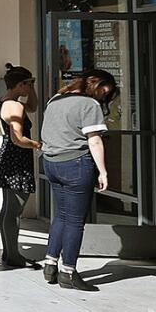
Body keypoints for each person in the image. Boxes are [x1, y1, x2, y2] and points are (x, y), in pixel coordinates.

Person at [38, 69, 118, 292]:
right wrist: (103, 171)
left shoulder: (55, 100)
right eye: (105, 89)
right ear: (96, 84)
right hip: (76, 164)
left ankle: (50, 265)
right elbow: (94, 141)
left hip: (51, 162)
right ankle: (68, 272)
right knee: (75, 221)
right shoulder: (89, 105)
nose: (105, 94)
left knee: (61, 216)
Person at [0, 63, 41, 269]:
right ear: (20, 84)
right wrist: (37, 144)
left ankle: (9, 252)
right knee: (14, 210)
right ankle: (13, 255)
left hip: (8, 157)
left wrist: (31, 88)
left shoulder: (5, 102)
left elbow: (33, 106)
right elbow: (18, 138)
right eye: (28, 84)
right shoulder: (15, 106)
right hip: (17, 159)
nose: (30, 88)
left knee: (8, 208)